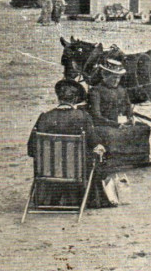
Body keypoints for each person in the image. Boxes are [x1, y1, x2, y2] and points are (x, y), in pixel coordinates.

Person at [27, 80, 113, 208]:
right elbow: (94, 143)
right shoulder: (83, 117)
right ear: (76, 99)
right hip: (77, 172)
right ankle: (89, 198)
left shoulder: (44, 117)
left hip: (48, 172)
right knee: (99, 154)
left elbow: (31, 150)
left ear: (58, 98)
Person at [87, 59, 151, 165]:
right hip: (104, 125)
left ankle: (140, 158)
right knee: (111, 133)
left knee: (144, 128)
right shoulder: (95, 91)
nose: (116, 80)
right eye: (114, 77)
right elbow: (96, 116)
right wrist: (116, 125)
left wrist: (130, 118)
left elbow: (128, 107)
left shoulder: (122, 90)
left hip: (122, 123)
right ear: (104, 75)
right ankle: (113, 160)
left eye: (118, 77)